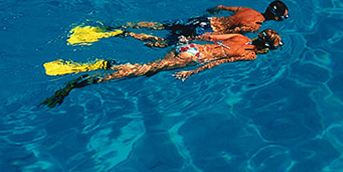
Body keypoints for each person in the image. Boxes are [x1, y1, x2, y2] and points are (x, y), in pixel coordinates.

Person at [40, 29, 284, 108]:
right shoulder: (249, 55)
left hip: (191, 45)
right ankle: (83, 77)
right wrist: (190, 72)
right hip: (191, 58)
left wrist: (185, 38)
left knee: (151, 62)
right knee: (140, 70)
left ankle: (123, 32)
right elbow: (219, 61)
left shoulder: (242, 36)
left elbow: (211, 36)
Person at [116, 0, 289, 47]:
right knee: (165, 43)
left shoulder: (247, 9)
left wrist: (209, 13)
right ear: (276, 17)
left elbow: (221, 6)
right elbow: (235, 32)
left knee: (162, 26)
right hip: (207, 29)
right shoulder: (256, 25)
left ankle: (130, 25)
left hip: (204, 19)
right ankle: (128, 35)